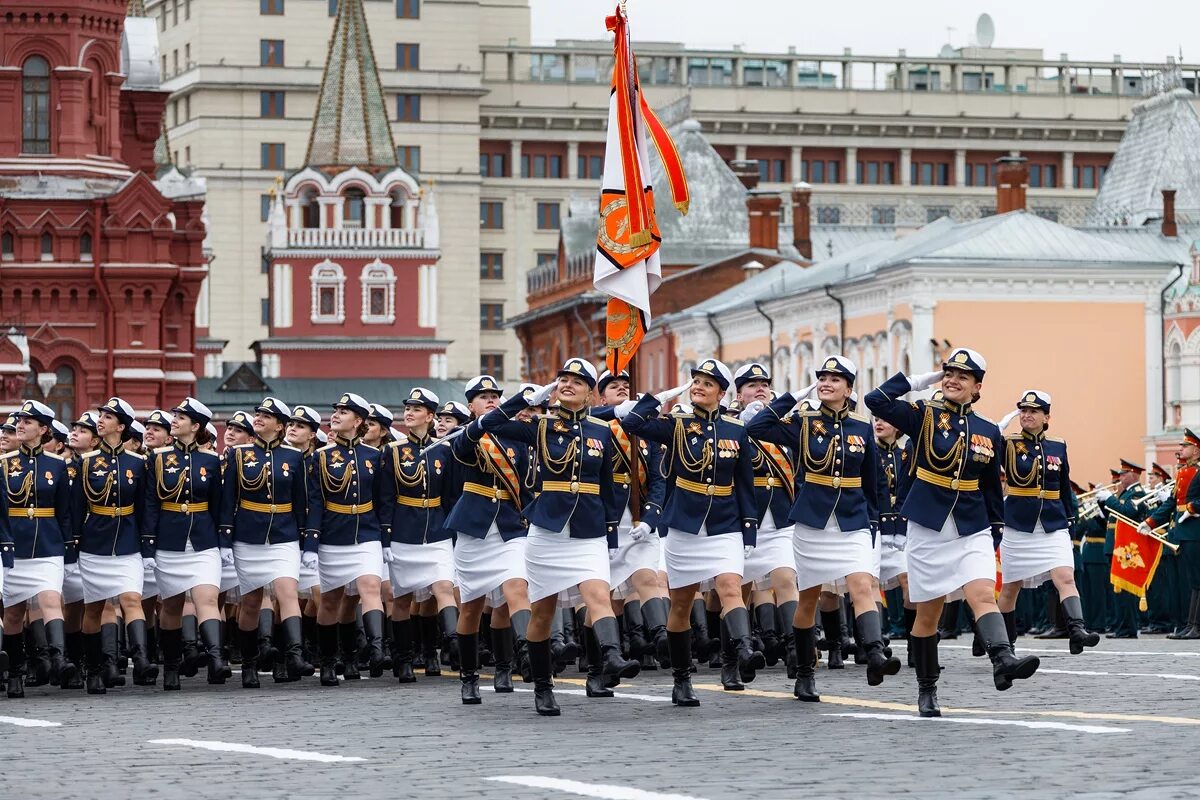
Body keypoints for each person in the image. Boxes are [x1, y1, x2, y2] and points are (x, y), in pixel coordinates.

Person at [866, 349, 1039, 718]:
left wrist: (995, 528)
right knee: (928, 614)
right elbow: (875, 400)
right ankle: (927, 689)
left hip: (971, 524)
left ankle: (1003, 659)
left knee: (982, 594)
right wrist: (920, 380)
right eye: (949, 373)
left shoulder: (988, 430)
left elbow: (992, 486)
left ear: (978, 387)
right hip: (928, 526)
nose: (953, 379)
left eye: (963, 376)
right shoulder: (924, 415)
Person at [475, 360, 635, 716]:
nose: (567, 385)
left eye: (577, 381)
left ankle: (612, 656)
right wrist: (524, 398)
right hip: (547, 531)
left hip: (588, 529)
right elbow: (492, 424)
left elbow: (608, 487)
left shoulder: (603, 430)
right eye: (562, 379)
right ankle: (543, 687)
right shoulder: (540, 426)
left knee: (597, 594)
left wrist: (610, 532)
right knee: (542, 613)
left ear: (591, 392)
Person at [747, 356, 896, 701]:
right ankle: (804, 671)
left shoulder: (861, 426)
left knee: (861, 584)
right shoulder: (803, 420)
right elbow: (757, 429)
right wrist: (793, 397)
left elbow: (873, 481)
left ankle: (874, 653)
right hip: (812, 523)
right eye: (822, 378)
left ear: (849, 388)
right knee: (807, 600)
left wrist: (874, 522)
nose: (827, 383)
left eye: (835, 379)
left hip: (853, 520)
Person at [619, 358, 761, 708]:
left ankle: (743, 650)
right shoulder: (676, 424)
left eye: (707, 383)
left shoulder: (736, 430)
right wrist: (658, 397)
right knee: (681, 604)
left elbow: (745, 485)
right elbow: (633, 422)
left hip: (724, 523)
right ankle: (681, 679)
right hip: (684, 526)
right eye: (695, 381)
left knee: (730, 588)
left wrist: (749, 530)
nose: (698, 387)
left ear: (722, 393)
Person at [445, 375, 534, 706]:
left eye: (496, 395)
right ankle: (469, 677)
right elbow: (468, 445)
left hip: (510, 526)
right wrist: (518, 401)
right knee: (471, 607)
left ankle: (520, 657)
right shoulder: (467, 436)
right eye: (483, 397)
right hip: (475, 529)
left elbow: (525, 485)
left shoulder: (517, 439)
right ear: (471, 406)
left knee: (515, 591)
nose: (492, 400)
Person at [997, 390, 1098, 655]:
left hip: (1053, 521)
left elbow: (1064, 486)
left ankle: (1077, 630)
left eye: (1033, 411)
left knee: (1065, 577)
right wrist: (996, 430)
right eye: (1023, 411)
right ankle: (1005, 643)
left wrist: (1070, 519)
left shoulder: (1058, 444)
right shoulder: (1007, 443)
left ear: (1047, 417)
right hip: (1018, 523)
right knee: (1010, 587)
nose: (1027, 415)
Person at [219, 396, 311, 687]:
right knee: (251, 602)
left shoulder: (293, 457)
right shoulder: (239, 454)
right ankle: (249, 662)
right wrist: (225, 539)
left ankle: (291, 655)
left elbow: (301, 503)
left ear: (280, 426)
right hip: (248, 536)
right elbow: (228, 500)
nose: (258, 418)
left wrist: (305, 540)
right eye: (257, 414)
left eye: (266, 416)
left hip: (284, 535)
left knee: (287, 592)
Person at [144, 398, 230, 690]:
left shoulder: (210, 461)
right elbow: (151, 504)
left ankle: (216, 659)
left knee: (206, 599)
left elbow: (219, 505)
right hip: (169, 542)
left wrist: (224, 541)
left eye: (182, 417)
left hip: (203, 541)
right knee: (171, 606)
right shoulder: (157, 458)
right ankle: (170, 666)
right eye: (175, 416)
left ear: (196, 426)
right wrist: (149, 545)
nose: (175, 420)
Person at [75, 397, 157, 693]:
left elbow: (147, 507)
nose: (101, 420)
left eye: (108, 417)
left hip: (127, 542)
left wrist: (147, 546)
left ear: (121, 426)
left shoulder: (139, 463)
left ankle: (141, 657)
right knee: (94, 609)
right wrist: (73, 546)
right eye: (101, 415)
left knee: (131, 600)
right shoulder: (85, 462)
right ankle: (95, 669)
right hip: (94, 542)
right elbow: (76, 507)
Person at [306, 392, 388, 686]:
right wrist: (311, 545)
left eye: (344, 411)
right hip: (333, 534)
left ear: (359, 421)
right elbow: (315, 502)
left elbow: (383, 500)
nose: (337, 414)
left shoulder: (375, 457)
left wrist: (385, 537)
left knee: (370, 586)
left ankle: (377, 649)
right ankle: (331, 661)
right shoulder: (320, 457)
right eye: (336, 410)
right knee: (331, 601)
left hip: (366, 532)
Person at [381, 388, 459, 684]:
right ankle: (403, 658)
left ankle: (452, 640)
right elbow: (386, 497)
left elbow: (450, 496)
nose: (409, 413)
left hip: (437, 530)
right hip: (404, 531)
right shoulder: (393, 450)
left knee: (443, 588)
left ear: (430, 416)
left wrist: (452, 533)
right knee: (402, 600)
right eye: (407, 408)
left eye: (416, 409)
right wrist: (386, 538)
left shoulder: (443, 450)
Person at [1, 400, 73, 697]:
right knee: (14, 614)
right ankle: (16, 673)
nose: (21, 425)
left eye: (28, 422)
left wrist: (69, 548)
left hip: (48, 542)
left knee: (50, 601)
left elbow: (65, 511)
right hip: (14, 544)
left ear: (43, 430)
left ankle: (58, 658)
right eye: (19, 420)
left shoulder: (57, 465)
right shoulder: (4, 463)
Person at [734, 363, 800, 678]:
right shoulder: (729, 425)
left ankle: (794, 650)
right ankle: (737, 653)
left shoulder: (783, 425)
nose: (759, 388)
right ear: (737, 394)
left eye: (764, 384)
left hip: (781, 520)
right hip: (744, 520)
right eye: (751, 385)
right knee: (739, 591)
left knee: (786, 579)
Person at [1150, 429, 1200, 639]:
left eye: (1185, 446)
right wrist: (1150, 522)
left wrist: (1192, 508)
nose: (1180, 449)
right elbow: (1172, 502)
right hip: (1183, 531)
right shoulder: (1184, 472)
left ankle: (1195, 626)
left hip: (1195, 529)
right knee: (1193, 581)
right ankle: (1190, 625)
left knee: (1197, 580)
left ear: (1196, 450)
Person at [874, 415, 915, 663]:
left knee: (909, 581)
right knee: (866, 586)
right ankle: (871, 643)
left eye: (885, 420)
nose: (879, 423)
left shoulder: (904, 455)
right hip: (874, 525)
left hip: (900, 528)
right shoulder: (868, 451)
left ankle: (915, 645)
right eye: (876, 419)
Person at [1096, 460, 1146, 639]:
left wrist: (1109, 498)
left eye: (1124, 473)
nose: (1121, 477)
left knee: (1125, 591)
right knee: (1117, 591)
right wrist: (1102, 502)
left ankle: (1128, 628)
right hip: (1116, 545)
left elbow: (1127, 513)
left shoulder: (1137, 493)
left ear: (1134, 475)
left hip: (1126, 547)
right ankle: (1120, 626)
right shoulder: (1125, 493)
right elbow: (1111, 517)